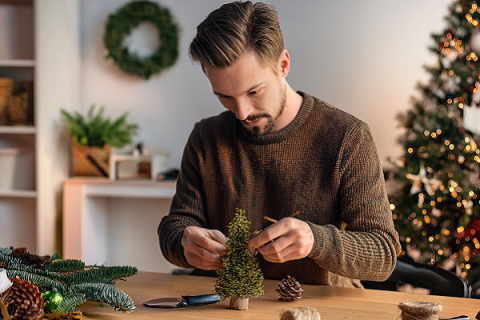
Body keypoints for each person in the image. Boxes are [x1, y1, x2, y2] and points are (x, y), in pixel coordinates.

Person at [158, 1, 401, 287]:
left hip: (318, 311)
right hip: (224, 307)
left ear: (282, 64)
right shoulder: (206, 137)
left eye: (254, 91)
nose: (242, 112)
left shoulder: (348, 137)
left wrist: (316, 241)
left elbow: (383, 255)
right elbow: (175, 227)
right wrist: (184, 242)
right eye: (223, 96)